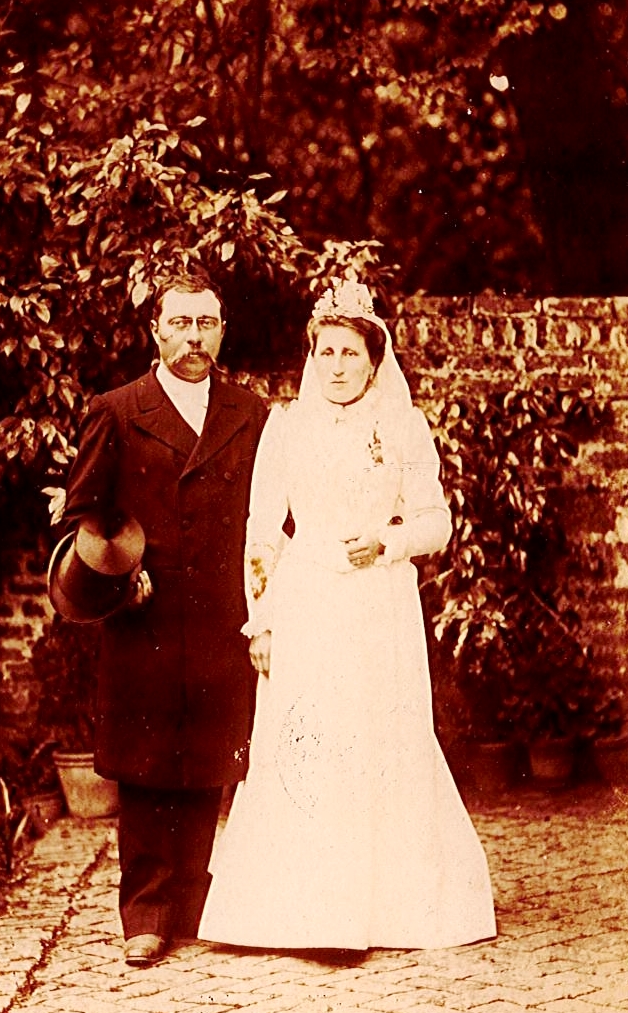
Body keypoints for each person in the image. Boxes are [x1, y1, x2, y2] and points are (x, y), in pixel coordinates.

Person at [199, 278, 496, 952]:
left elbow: (435, 521)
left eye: (349, 353)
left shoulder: (401, 425)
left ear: (373, 357)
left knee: (376, 737)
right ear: (311, 355)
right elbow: (261, 531)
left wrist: (388, 541)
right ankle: (306, 911)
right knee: (304, 743)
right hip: (305, 600)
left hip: (376, 603)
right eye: (325, 351)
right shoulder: (286, 425)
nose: (336, 365)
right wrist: (262, 620)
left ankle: (377, 910)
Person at [56, 273, 268, 967]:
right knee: (146, 765)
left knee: (209, 758)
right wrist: (118, 571)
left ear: (221, 329)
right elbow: (83, 509)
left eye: (205, 323)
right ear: (154, 332)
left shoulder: (251, 412)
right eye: (179, 323)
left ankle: (196, 898)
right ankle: (143, 912)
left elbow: (274, 511)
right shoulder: (117, 410)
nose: (193, 337)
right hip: (143, 616)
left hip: (218, 616)